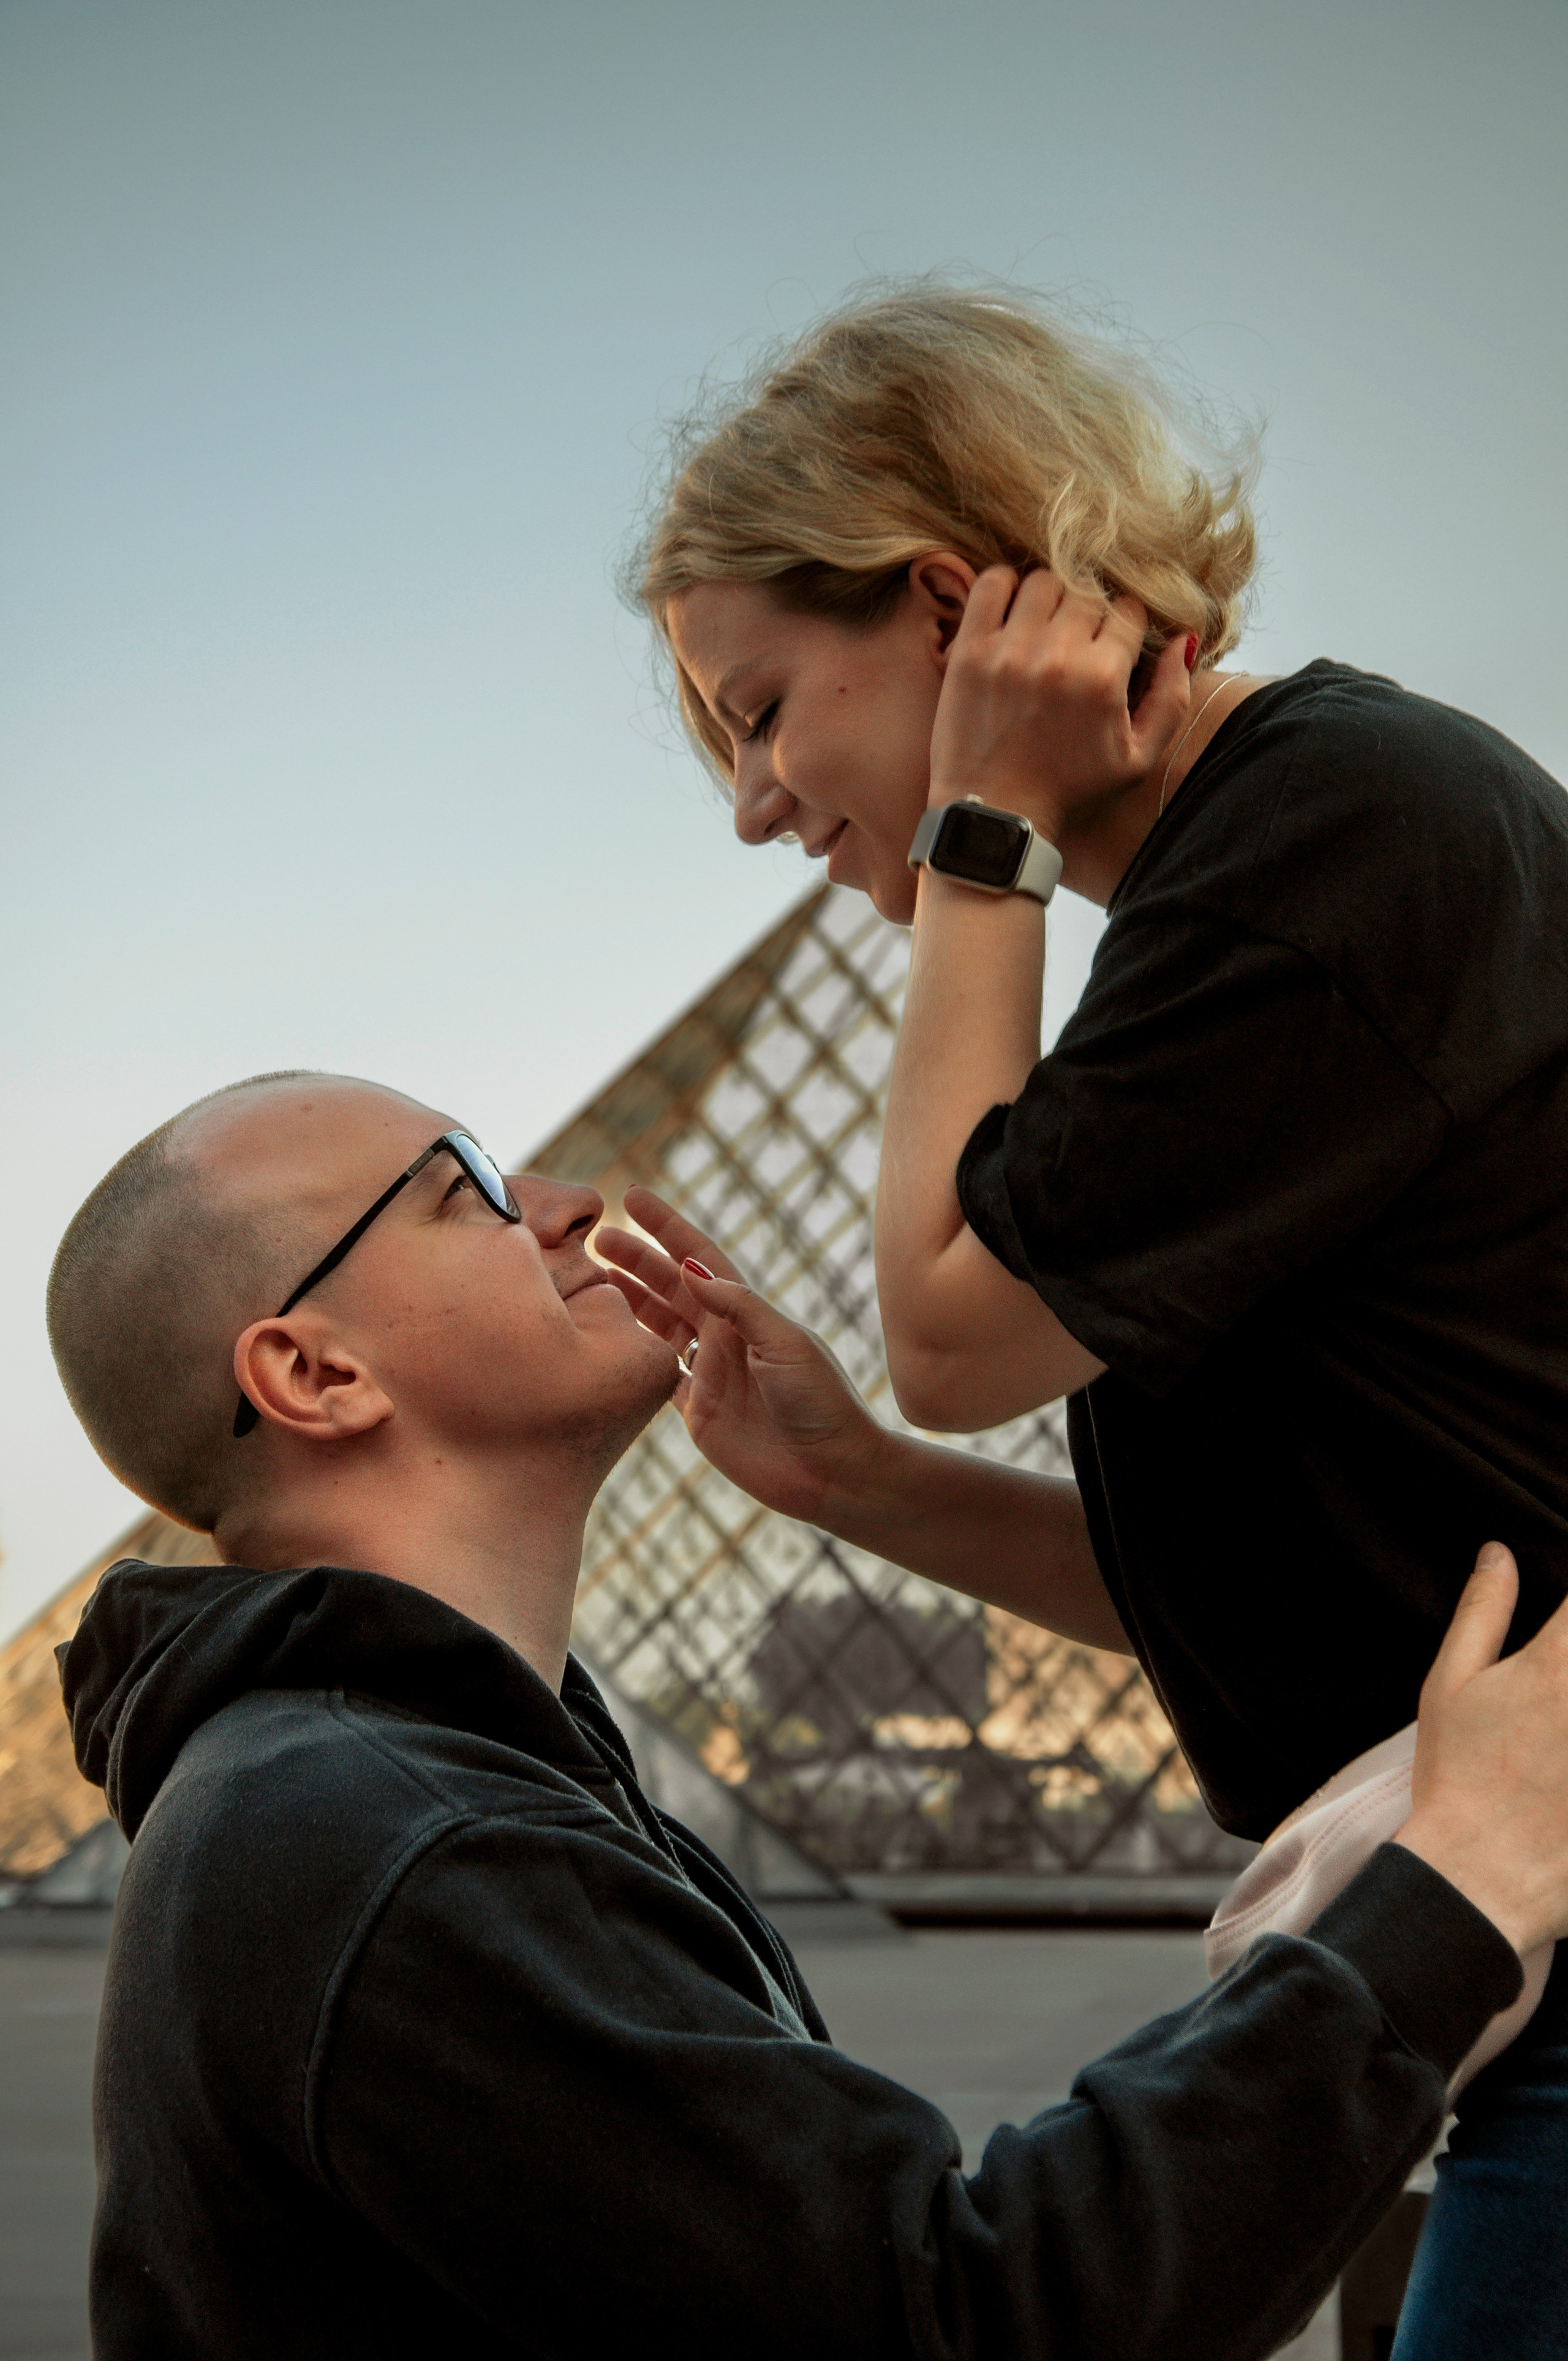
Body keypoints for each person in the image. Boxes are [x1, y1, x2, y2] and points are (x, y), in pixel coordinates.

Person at [44, 1067, 1568, 2360]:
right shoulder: (398, 1843)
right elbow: (970, 2316)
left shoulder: (373, 1787)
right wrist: (1449, 1884)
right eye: (468, 1187)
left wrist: (861, 1480)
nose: (571, 1198)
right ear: (313, 1371)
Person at [635, 282, 1568, 2355]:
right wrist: (849, 1484)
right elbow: (1280, 1594)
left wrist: (980, 857)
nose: (753, 804)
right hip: (1497, 1942)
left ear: (954, 609)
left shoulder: (1325, 836)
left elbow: (955, 1330)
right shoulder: (1251, 869)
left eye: (760, 706)